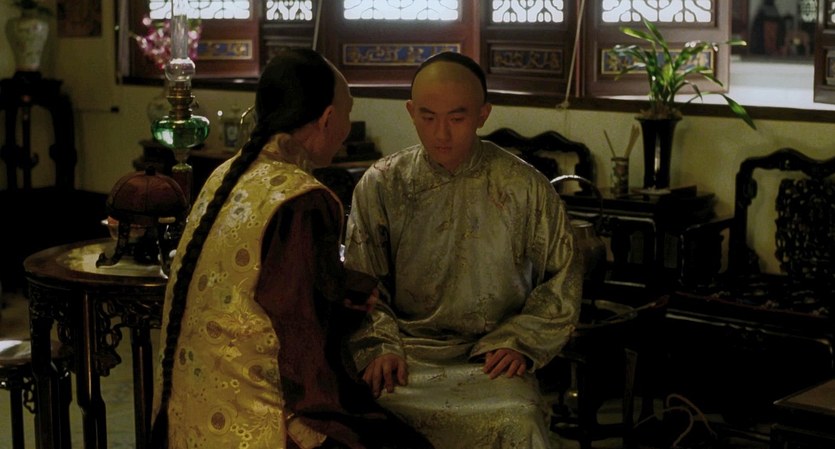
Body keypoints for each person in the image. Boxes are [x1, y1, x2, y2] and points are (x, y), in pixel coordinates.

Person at [149, 48, 432, 449]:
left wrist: (345, 288)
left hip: (190, 414)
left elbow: (263, 285)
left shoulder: (226, 173)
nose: (347, 127)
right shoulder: (300, 199)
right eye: (348, 114)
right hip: (255, 420)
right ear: (328, 119)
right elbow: (302, 341)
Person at [342, 51, 583, 448]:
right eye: (428, 117)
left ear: (483, 114)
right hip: (407, 352)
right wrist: (378, 345)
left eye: (456, 119)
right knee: (362, 407)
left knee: (517, 416)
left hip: (489, 356)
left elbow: (562, 278)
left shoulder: (525, 186)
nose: (441, 134)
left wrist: (519, 341)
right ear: (411, 111)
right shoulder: (382, 183)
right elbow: (361, 281)